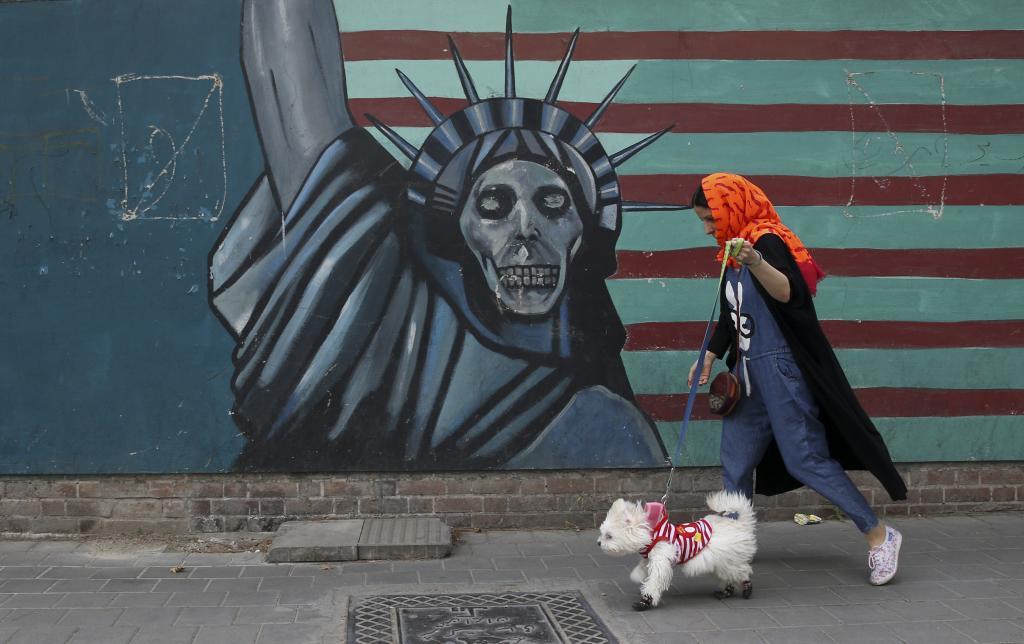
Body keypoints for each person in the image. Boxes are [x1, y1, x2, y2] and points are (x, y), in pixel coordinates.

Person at [687, 172, 906, 585]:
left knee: (805, 460)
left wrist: (756, 261)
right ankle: (736, 548)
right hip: (746, 374)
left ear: (730, 208)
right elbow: (731, 315)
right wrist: (710, 356)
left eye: (711, 219)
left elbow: (791, 295)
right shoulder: (730, 252)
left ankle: (880, 536)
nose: (708, 229)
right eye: (705, 221)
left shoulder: (766, 241)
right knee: (735, 463)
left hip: (782, 368)